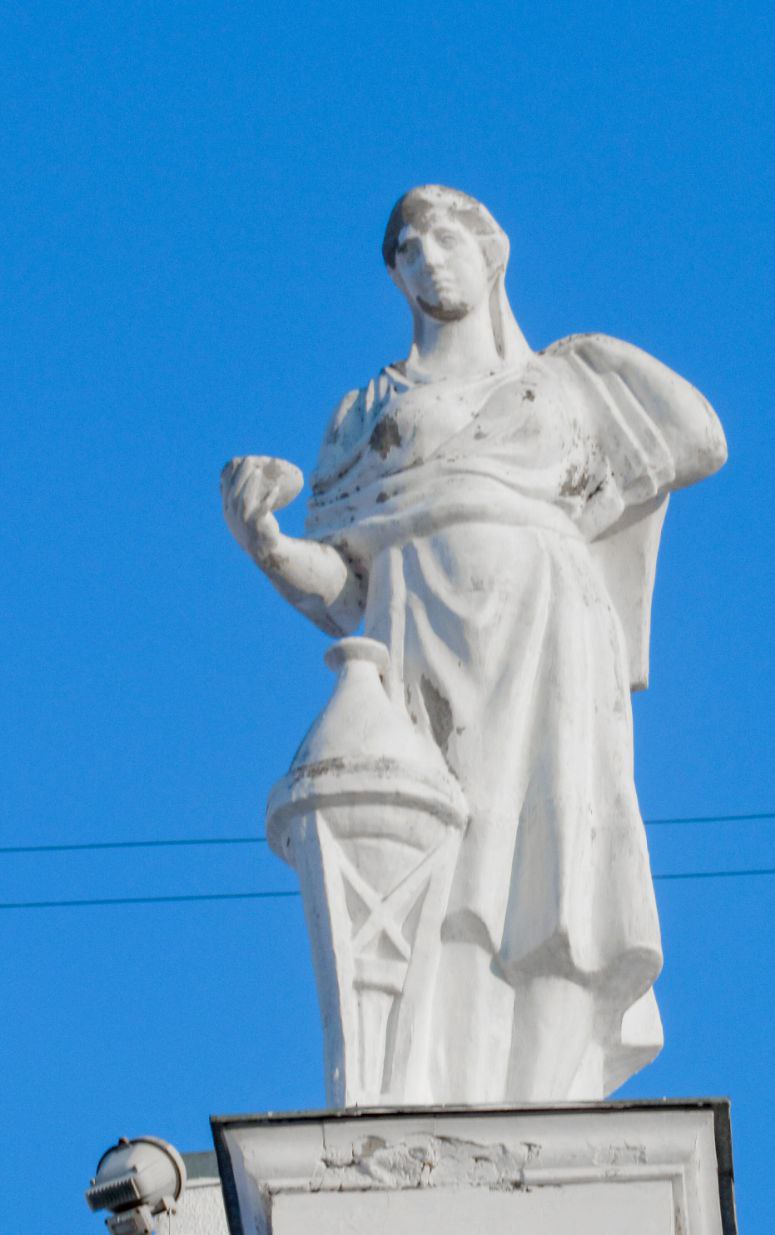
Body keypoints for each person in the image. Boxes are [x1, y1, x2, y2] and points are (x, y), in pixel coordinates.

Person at [222, 185, 727, 1102]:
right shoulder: (368, 413)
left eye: (446, 239)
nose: (429, 261)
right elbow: (345, 589)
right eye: (407, 251)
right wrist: (266, 543)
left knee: (555, 869)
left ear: (492, 252)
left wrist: (567, 512)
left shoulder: (570, 378)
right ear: (395, 277)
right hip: (416, 634)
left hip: (546, 634)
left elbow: (698, 436)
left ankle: (551, 1090)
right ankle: (435, 1085)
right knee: (442, 868)